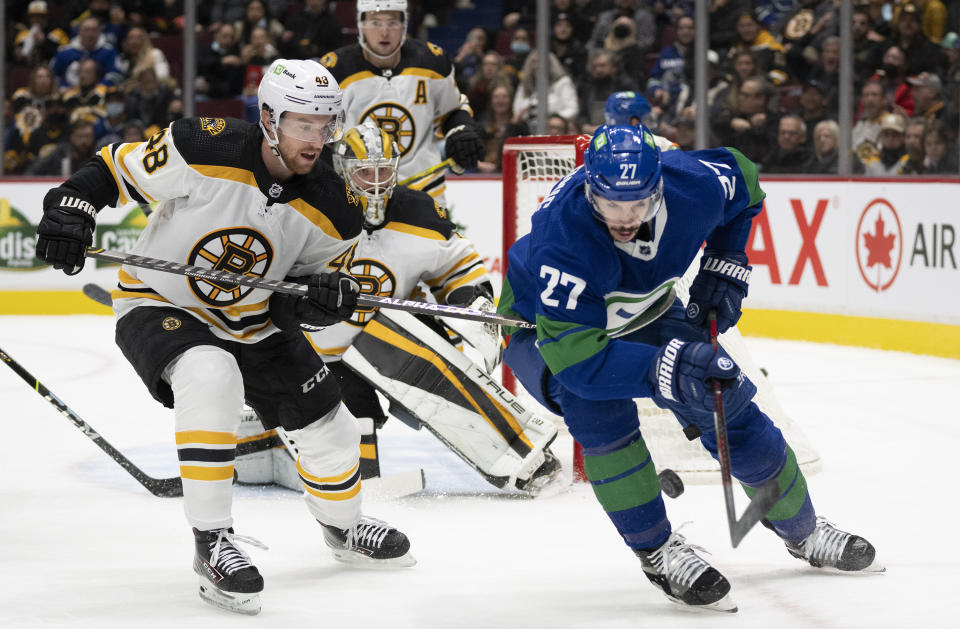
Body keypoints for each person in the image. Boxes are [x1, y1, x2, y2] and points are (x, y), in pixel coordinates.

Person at [33, 58, 415, 616]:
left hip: (254, 320)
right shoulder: (200, 145)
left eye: (325, 125)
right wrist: (70, 206)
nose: (316, 139)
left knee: (331, 426)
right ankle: (212, 541)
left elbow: (302, 289)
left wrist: (316, 298)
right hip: (159, 300)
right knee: (211, 374)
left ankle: (344, 526)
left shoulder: (338, 209)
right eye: (302, 125)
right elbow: (113, 171)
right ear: (268, 118)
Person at [497, 124, 882, 612]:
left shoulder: (691, 183)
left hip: (648, 308)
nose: (625, 217)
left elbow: (744, 179)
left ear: (660, 186)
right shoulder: (564, 239)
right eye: (611, 203)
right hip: (547, 332)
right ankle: (656, 551)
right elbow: (579, 364)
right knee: (599, 414)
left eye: (637, 203)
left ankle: (804, 531)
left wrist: (726, 258)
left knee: (729, 406)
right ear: (589, 186)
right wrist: (668, 367)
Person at [237, 121, 563, 495]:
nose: (375, 182)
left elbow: (460, 266)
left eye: (383, 170)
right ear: (342, 170)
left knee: (417, 348)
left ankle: (522, 454)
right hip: (306, 352)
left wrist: (472, 303)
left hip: (381, 345)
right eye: (364, 171)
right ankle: (266, 446)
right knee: (350, 440)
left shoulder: (418, 211)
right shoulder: (307, 205)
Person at [319, 0, 485, 207]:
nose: (384, 32)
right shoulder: (335, 71)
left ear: (404, 24)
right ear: (361, 25)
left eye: (392, 23)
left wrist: (461, 131)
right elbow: (319, 133)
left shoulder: (432, 62)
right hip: (356, 193)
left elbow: (452, 111)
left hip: (424, 191)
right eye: (375, 22)